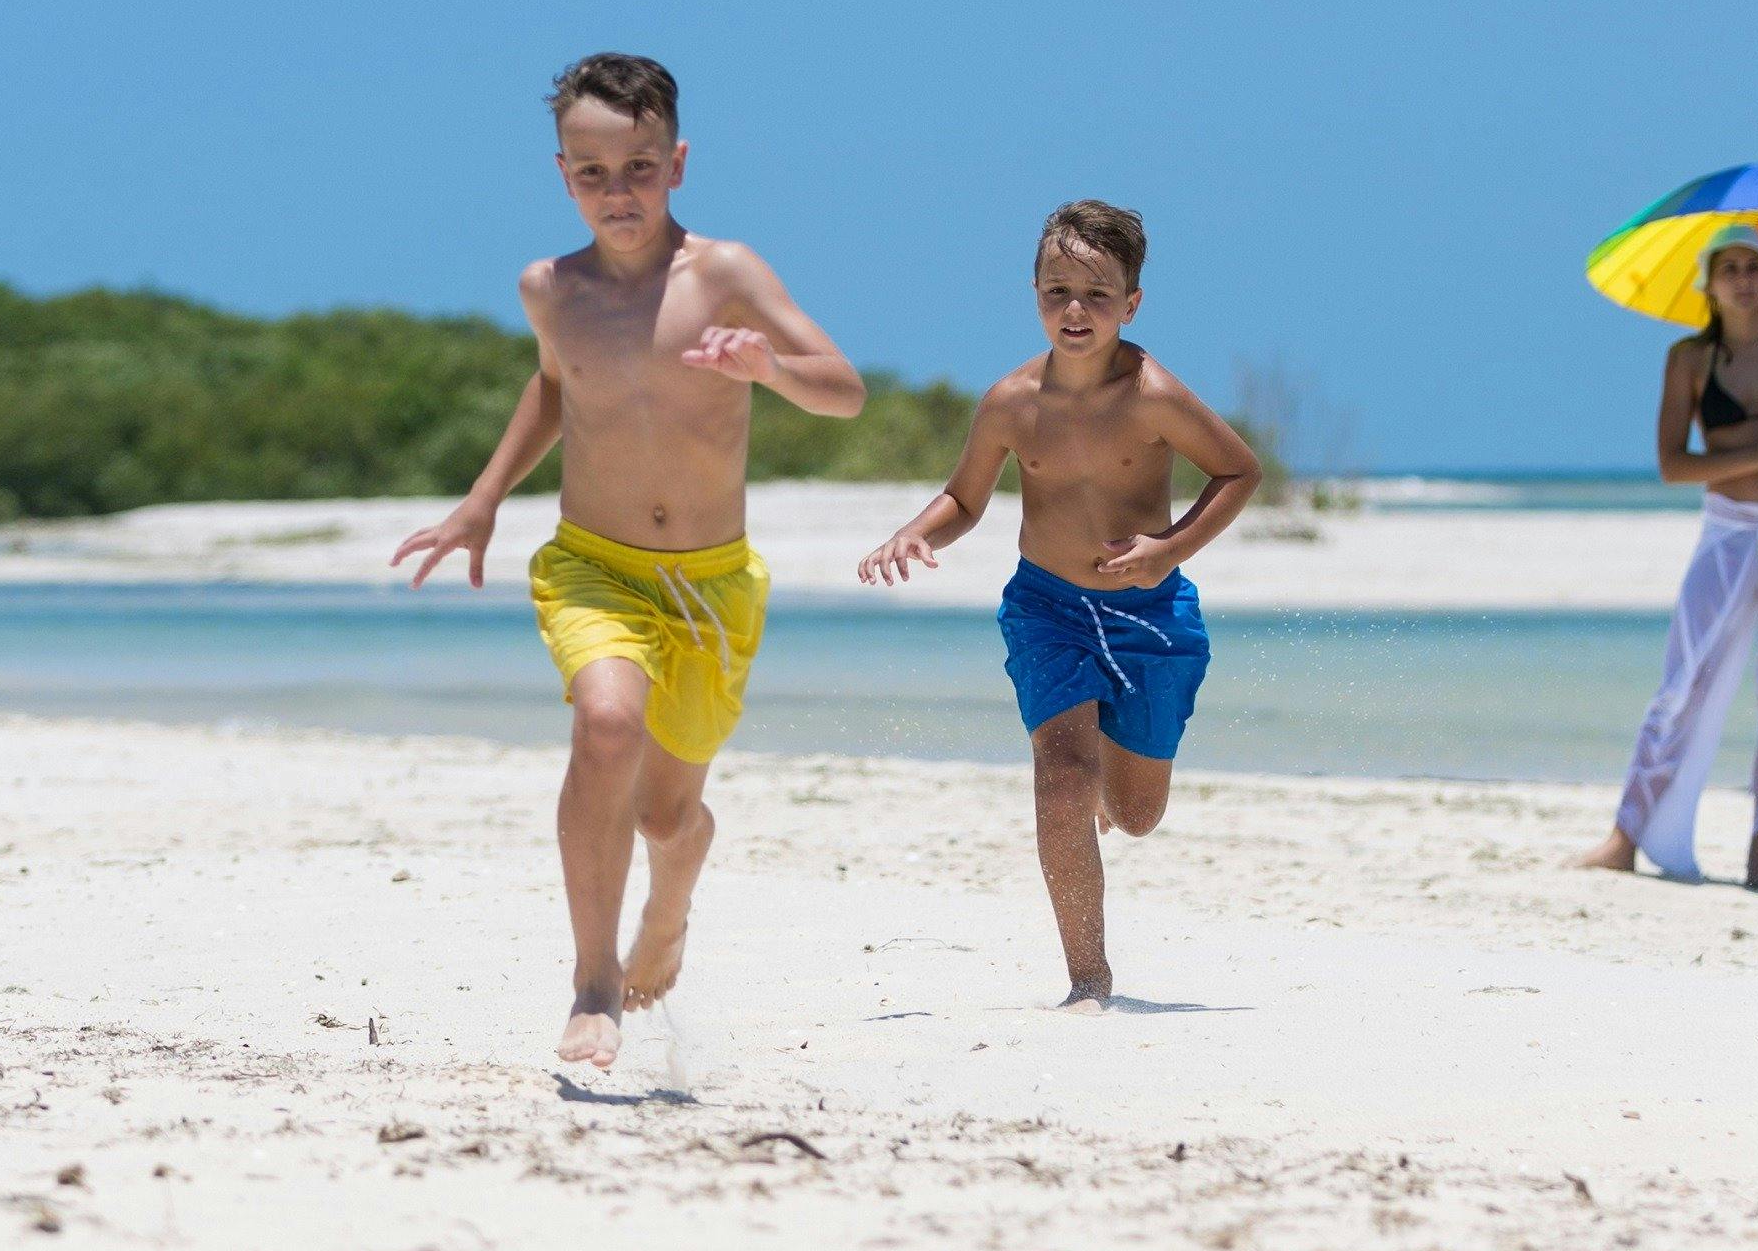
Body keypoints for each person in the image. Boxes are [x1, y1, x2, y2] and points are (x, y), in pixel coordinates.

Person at [392, 54, 864, 1070]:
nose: (618, 191)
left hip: (709, 586)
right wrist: (482, 500)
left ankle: (674, 893)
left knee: (666, 810)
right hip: (592, 565)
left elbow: (844, 388)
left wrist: (767, 368)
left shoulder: (727, 273)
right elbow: (555, 389)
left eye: (640, 166)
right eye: (593, 171)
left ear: (678, 163)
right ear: (561, 172)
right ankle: (593, 981)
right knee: (606, 723)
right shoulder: (548, 288)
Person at [857, 202, 1259, 1003]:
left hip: (1149, 613)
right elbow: (964, 498)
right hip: (1047, 607)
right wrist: (916, 529)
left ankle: (1112, 769)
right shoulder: (1011, 402)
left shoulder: (1154, 394)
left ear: (1132, 303)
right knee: (1062, 778)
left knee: (1136, 814)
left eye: (1098, 294)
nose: (1075, 310)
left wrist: (1168, 549)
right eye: (1057, 290)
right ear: (1034, 292)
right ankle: (1088, 977)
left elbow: (1239, 471)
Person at [1582, 222, 1758, 890]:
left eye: (1753, 266)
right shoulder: (1689, 359)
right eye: (1729, 267)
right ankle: (1625, 838)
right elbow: (1673, 464)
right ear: (1707, 281)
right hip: (1729, 526)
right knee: (1683, 679)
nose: (1742, 278)